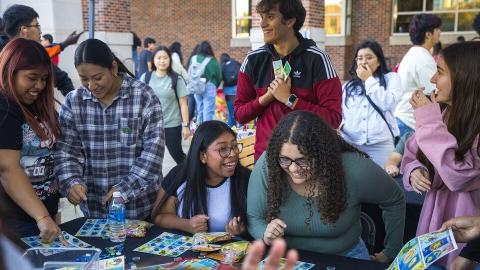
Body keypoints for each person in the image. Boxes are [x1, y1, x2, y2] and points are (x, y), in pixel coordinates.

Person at [248, 111, 405, 262]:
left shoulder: (354, 168)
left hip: (345, 258)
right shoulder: (268, 165)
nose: (293, 169)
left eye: (303, 160)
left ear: (323, 155)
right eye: (285, 159)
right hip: (287, 259)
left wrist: (390, 252)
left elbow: (394, 199)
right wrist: (265, 234)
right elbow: (254, 218)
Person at [55, 39, 165, 220]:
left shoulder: (143, 96)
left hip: (140, 210)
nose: (91, 86)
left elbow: (153, 153)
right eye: (84, 79)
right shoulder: (73, 102)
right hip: (93, 213)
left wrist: (124, 189)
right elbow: (66, 151)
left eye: (97, 78)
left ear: (113, 68)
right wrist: (71, 181)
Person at [401, 41, 480, 268]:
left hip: (468, 235)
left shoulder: (436, 118)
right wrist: (414, 170)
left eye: (440, 72)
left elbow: (457, 175)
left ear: (466, 78)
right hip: (435, 223)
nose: (433, 80)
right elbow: (411, 154)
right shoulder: (442, 114)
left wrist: (426, 117)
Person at [234, 0, 342, 160]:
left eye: (270, 17)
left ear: (290, 21)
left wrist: (290, 99)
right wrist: (267, 98)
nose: (262, 24)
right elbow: (239, 115)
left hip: (307, 161)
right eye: (262, 17)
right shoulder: (253, 60)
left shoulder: (317, 59)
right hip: (266, 160)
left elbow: (333, 119)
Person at [0, 38, 61, 240]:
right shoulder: (5, 107)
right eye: (32, 77)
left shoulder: (35, 104)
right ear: (10, 70)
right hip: (19, 222)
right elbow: (7, 168)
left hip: (44, 217)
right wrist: (41, 215)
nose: (39, 86)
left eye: (44, 79)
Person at [151, 121, 250, 235]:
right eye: (222, 149)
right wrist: (186, 225)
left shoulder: (245, 179)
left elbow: (258, 222)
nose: (233, 154)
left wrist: (242, 231)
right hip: (188, 250)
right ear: (203, 155)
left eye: (234, 146)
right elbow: (159, 216)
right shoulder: (180, 176)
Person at [340, 40, 401, 167]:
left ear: (379, 61)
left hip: (381, 145)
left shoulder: (391, 78)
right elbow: (341, 112)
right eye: (360, 58)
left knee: (383, 182)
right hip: (352, 144)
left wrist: (368, 79)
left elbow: (387, 103)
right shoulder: (348, 86)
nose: (363, 62)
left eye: (369, 58)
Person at [1, 4, 81, 96]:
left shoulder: (38, 55)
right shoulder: (33, 55)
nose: (40, 31)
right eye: (37, 26)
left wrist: (74, 105)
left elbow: (63, 80)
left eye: (43, 78)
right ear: (24, 30)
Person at [140, 45, 190, 164]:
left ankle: (192, 177)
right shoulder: (145, 78)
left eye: (165, 58)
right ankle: (158, 182)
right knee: (153, 160)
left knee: (179, 157)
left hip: (172, 125)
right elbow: (140, 102)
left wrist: (186, 126)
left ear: (170, 60)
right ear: (153, 60)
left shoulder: (176, 79)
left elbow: (183, 104)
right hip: (151, 126)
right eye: (159, 58)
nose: (162, 61)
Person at [394, 14, 442, 136]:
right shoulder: (423, 59)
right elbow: (435, 92)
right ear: (428, 34)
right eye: (437, 29)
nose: (440, 32)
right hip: (409, 123)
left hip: (402, 119)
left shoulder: (414, 53)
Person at [188, 41, 222, 123]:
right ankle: (207, 130)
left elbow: (189, 71)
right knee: (208, 110)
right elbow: (219, 76)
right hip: (209, 85)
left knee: (200, 109)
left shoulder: (194, 58)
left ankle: (199, 127)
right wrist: (216, 84)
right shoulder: (212, 60)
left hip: (196, 85)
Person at [220, 53, 241, 127]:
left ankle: (232, 126)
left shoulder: (222, 66)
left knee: (230, 109)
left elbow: (220, 77)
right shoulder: (235, 63)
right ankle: (241, 126)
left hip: (228, 90)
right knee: (239, 106)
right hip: (238, 87)